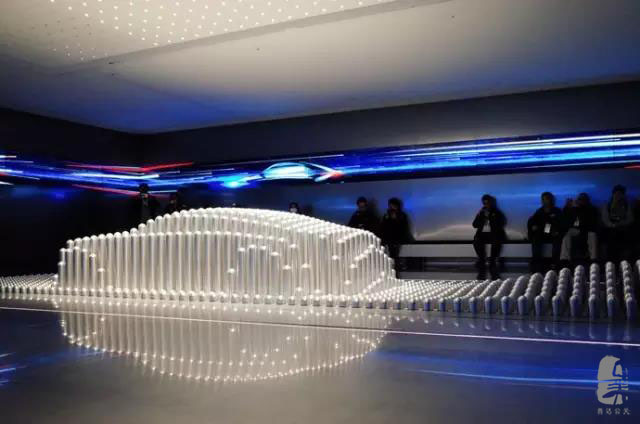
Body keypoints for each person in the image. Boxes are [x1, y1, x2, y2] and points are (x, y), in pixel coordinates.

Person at [472, 194, 506, 280]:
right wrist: (482, 218)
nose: (486, 205)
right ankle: (482, 259)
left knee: (496, 241)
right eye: (484, 203)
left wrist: (490, 218)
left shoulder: (496, 212)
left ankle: (492, 260)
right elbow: (474, 224)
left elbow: (501, 223)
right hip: (483, 234)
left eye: (487, 203)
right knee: (476, 241)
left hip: (494, 233)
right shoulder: (481, 212)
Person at [527, 192, 563, 273]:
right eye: (543, 199)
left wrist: (555, 230)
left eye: (546, 199)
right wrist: (533, 225)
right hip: (542, 233)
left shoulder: (557, 211)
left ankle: (555, 264)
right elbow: (533, 220)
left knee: (557, 241)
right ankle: (537, 264)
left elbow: (560, 224)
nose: (544, 201)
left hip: (554, 234)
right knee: (536, 238)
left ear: (551, 200)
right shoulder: (540, 211)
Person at [560, 192, 598, 264]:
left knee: (592, 235)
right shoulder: (574, 209)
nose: (581, 201)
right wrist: (567, 207)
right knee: (566, 235)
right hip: (576, 229)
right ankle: (565, 259)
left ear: (587, 200)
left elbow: (589, 222)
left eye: (583, 199)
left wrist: (578, 209)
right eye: (580, 199)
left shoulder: (592, 209)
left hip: (587, 230)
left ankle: (593, 258)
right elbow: (566, 219)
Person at [601, 185, 634, 262]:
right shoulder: (607, 205)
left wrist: (622, 223)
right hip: (610, 228)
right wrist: (612, 225)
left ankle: (624, 260)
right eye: (616, 193)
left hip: (623, 228)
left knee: (625, 237)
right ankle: (611, 260)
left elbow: (630, 218)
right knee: (610, 239)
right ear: (613, 194)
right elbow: (605, 219)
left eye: (620, 194)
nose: (618, 195)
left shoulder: (627, 205)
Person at [379, 198, 412, 265]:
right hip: (388, 238)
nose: (392, 207)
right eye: (390, 206)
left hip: (398, 238)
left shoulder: (401, 215)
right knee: (391, 253)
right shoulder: (386, 215)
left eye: (393, 206)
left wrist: (395, 220)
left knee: (395, 253)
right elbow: (383, 226)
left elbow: (403, 227)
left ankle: (396, 265)